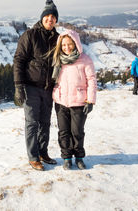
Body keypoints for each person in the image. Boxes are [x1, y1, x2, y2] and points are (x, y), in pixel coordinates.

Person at [13, 0, 59, 171]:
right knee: (32, 123)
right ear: (42, 18)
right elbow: (19, 60)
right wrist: (19, 85)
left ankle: (42, 152)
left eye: (53, 17)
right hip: (31, 86)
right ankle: (33, 157)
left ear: (56, 20)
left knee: (45, 123)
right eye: (47, 16)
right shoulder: (30, 35)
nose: (50, 19)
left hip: (48, 88)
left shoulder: (58, 38)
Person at [51, 30, 97, 170]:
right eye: (64, 45)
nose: (67, 47)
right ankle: (66, 158)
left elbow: (91, 80)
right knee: (63, 132)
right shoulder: (58, 60)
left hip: (79, 102)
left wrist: (91, 101)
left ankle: (79, 157)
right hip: (61, 102)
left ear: (76, 43)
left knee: (77, 132)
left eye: (70, 44)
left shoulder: (85, 59)